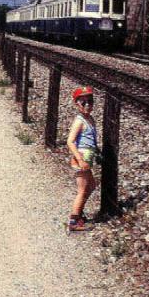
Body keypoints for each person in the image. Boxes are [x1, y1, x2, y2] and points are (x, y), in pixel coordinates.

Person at [67, 86, 98, 232]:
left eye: (90, 102)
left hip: (87, 157)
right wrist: (80, 160)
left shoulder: (89, 119)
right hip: (81, 158)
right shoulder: (79, 121)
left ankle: (78, 213)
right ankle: (73, 220)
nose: (87, 105)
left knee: (91, 185)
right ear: (76, 104)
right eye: (83, 102)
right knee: (82, 190)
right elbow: (70, 141)